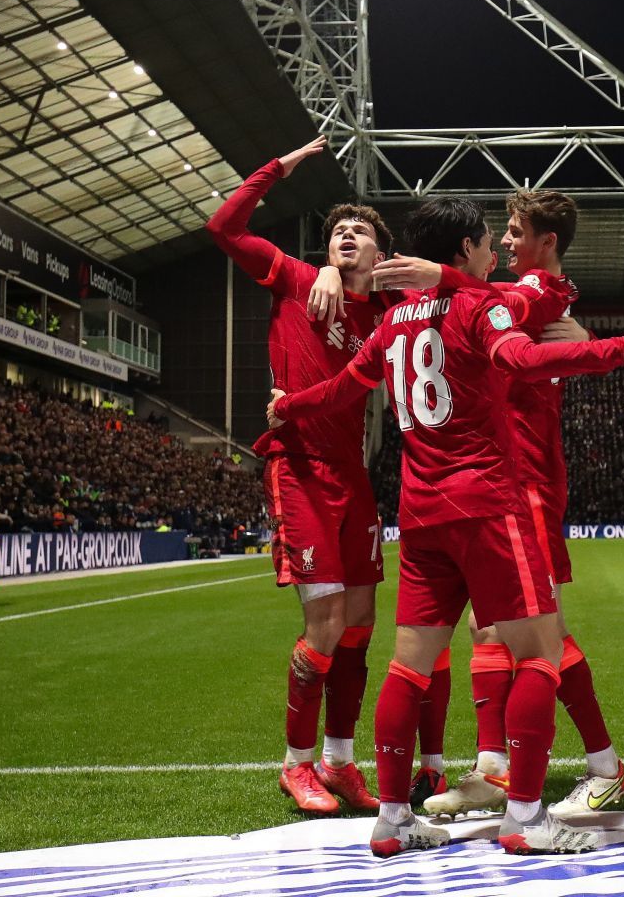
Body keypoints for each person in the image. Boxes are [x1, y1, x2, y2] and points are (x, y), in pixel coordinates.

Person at [268, 195, 624, 857]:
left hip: (420, 515)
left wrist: (289, 405)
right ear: (463, 250)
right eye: (492, 239)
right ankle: (525, 815)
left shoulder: (394, 321)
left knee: (409, 667)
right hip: (489, 505)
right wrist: (622, 350)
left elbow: (346, 387)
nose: (497, 248)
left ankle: (395, 820)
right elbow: (519, 361)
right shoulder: (480, 304)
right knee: (539, 655)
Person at [378, 189, 624, 824]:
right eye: (504, 233)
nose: (508, 242)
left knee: (540, 634)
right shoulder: (515, 296)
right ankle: (496, 767)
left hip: (522, 485)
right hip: (492, 485)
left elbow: (505, 312)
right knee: (489, 630)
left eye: (517, 232)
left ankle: (601, 765)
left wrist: (443, 273)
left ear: (546, 242)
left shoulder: (534, 290)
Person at [207, 134, 407, 814]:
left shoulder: (385, 314)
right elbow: (222, 226)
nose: (346, 236)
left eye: (360, 231)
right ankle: (295, 766)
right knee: (323, 624)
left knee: (359, 628)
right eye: (338, 231)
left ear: (381, 255)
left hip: (353, 475)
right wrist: (281, 167)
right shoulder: (294, 278)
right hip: (298, 466)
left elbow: (454, 293)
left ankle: (339, 762)